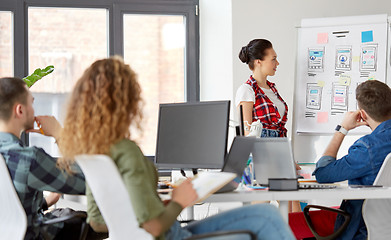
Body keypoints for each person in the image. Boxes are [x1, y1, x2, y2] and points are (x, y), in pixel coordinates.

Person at [57, 56, 295, 240]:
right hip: (170, 235)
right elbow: (154, 226)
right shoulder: (126, 151)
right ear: (125, 100)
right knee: (267, 216)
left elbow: (99, 222)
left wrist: (152, 207)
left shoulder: (92, 151)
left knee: (256, 223)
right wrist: (180, 201)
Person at [0, 77, 86, 239]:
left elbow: (7, 210)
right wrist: (59, 134)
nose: (34, 110)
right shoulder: (28, 160)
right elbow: (88, 181)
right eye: (31, 103)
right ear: (20, 110)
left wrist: (45, 202)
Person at [313, 80, 391, 239]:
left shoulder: (367, 148)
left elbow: (322, 174)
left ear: (362, 114)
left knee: (292, 221)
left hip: (363, 230)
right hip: (384, 228)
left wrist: (342, 129)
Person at [236, 39, 288, 137]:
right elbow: (246, 132)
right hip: (260, 149)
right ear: (258, 62)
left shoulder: (272, 89)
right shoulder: (247, 90)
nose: (277, 63)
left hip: (281, 147)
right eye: (273, 59)